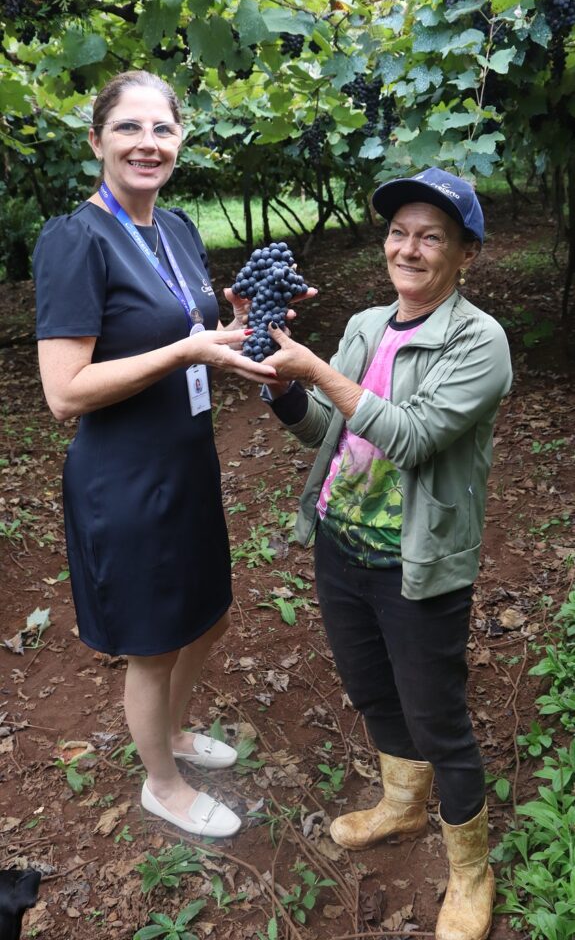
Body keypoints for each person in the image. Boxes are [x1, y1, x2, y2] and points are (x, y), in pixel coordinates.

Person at [260, 168, 512, 940]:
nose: (408, 247)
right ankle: (402, 806)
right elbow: (333, 432)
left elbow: (406, 436)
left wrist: (319, 371)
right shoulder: (368, 324)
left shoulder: (479, 341)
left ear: (464, 252)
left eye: (430, 235)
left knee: (437, 719)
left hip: (417, 564)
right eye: (399, 231)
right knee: (371, 691)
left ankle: (470, 870)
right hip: (341, 545)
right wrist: (280, 388)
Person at [33, 70, 279, 839]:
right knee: (153, 639)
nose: (148, 143)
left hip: (187, 459)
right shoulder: (76, 240)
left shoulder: (173, 227)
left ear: (180, 140)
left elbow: (185, 326)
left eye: (162, 129)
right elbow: (65, 392)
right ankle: (162, 784)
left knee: (206, 617)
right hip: (124, 475)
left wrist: (230, 327)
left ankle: (173, 734)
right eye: (129, 128)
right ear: (97, 140)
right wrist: (182, 352)